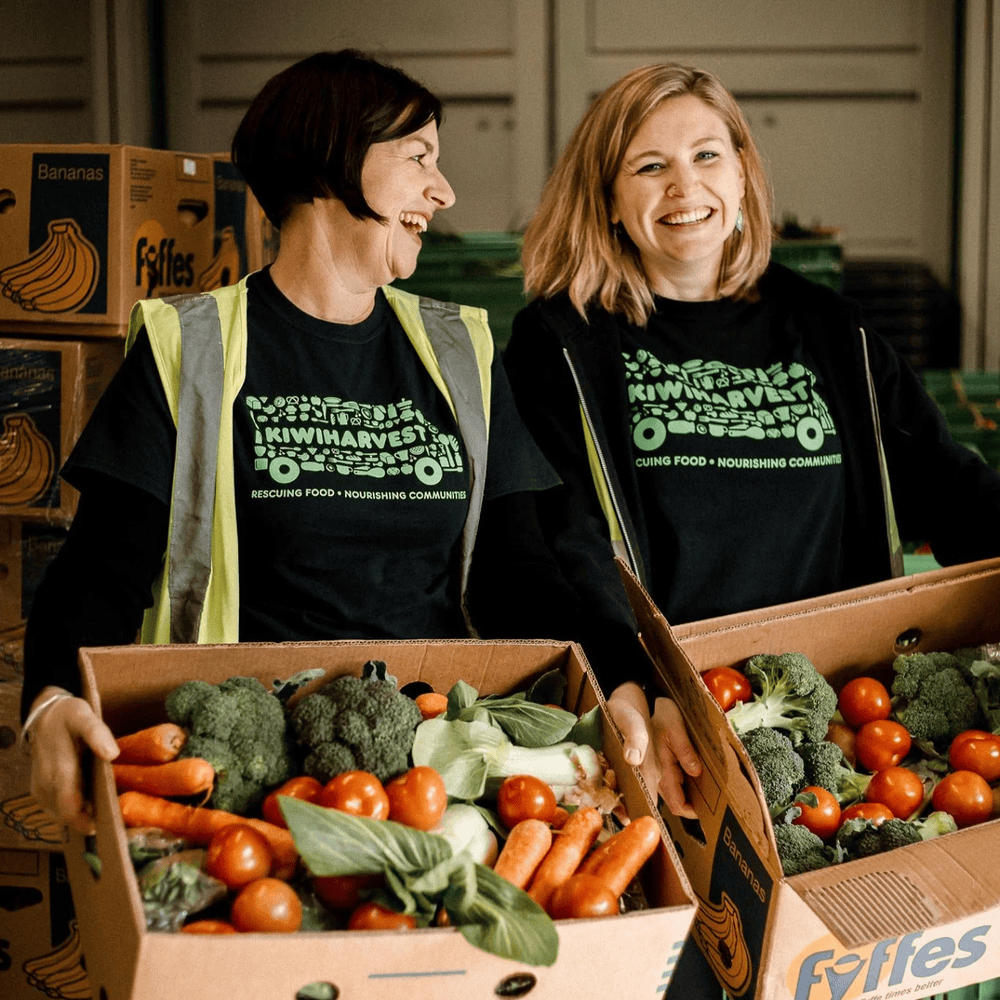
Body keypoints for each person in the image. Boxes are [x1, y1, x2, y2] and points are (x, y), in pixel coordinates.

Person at [501, 63, 1000, 996]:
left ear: (743, 174)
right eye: (648, 167)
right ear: (608, 200)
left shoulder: (832, 331)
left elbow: (950, 488)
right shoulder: (560, 342)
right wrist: (629, 683)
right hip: (675, 726)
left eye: (706, 155)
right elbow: (556, 543)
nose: (684, 188)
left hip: (845, 725)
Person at [20, 49, 566, 836]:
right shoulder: (194, 345)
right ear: (333, 161)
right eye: (418, 159)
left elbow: (523, 571)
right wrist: (51, 699)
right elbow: (102, 570)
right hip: (247, 785)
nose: (441, 192)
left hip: (438, 783)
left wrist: (614, 682)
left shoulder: (461, 352)